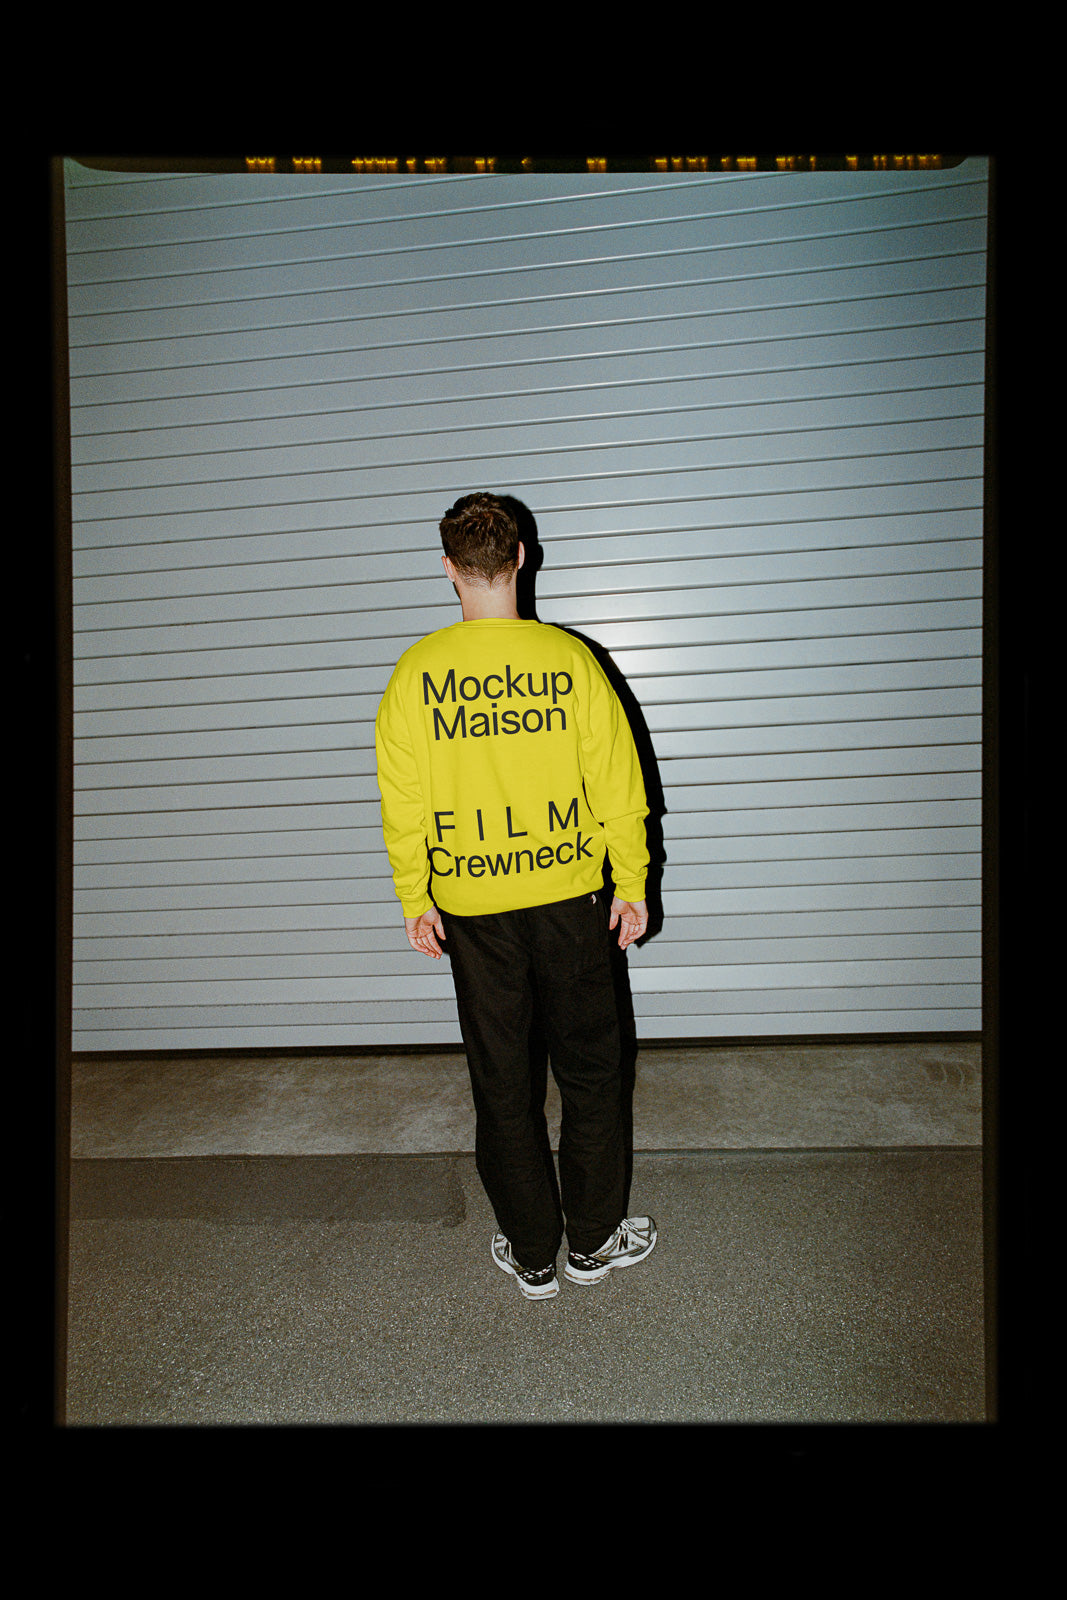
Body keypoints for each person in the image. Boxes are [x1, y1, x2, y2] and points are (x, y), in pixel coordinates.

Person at [374, 492, 658, 1300]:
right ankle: (593, 1244)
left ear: (447, 570)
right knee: (593, 1072)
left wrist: (414, 897)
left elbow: (403, 803)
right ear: (522, 558)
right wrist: (630, 882)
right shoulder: (569, 662)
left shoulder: (416, 673)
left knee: (502, 1079)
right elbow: (620, 786)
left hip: (473, 909)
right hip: (571, 900)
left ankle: (534, 1254)